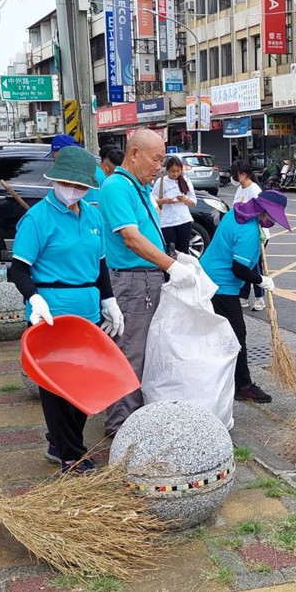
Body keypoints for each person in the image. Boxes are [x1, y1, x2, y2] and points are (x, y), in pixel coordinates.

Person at [8, 146, 124, 474]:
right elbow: (17, 269)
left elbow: (100, 263)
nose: (74, 191)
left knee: (83, 381)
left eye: (81, 187)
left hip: (87, 312)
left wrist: (109, 300)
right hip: (52, 312)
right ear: (54, 180)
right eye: (68, 184)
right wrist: (34, 298)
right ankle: (72, 455)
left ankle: (58, 442)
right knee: (58, 387)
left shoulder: (92, 215)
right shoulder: (37, 219)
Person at [98, 129, 200, 435]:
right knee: (130, 351)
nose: (160, 166)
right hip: (132, 283)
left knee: (147, 350)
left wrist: (177, 257)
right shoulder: (117, 187)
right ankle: (120, 424)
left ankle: (136, 417)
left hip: (146, 279)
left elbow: (148, 232)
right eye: (156, 159)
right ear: (134, 154)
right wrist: (171, 266)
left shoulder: (138, 186)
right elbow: (130, 238)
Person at [199, 190, 293, 404]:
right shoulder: (250, 232)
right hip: (221, 286)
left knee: (222, 333)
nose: (272, 221)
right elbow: (239, 269)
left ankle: (222, 377)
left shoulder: (236, 213)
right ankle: (242, 385)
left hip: (208, 276)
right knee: (237, 334)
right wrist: (261, 280)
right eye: (271, 216)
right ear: (263, 211)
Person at [230, 160, 266, 310]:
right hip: (243, 235)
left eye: (235, 175)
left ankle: (260, 297)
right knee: (244, 265)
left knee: (255, 267)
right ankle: (243, 297)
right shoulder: (240, 189)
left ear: (243, 174)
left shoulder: (254, 190)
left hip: (255, 235)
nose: (233, 178)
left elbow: (260, 214)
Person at [153, 156, 197, 255]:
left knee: (183, 252)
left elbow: (193, 202)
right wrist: (164, 201)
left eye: (178, 171)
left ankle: (184, 270)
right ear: (167, 170)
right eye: (172, 171)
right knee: (170, 252)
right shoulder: (161, 182)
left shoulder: (186, 180)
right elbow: (153, 202)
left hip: (184, 220)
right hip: (166, 222)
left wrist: (184, 199)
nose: (175, 174)